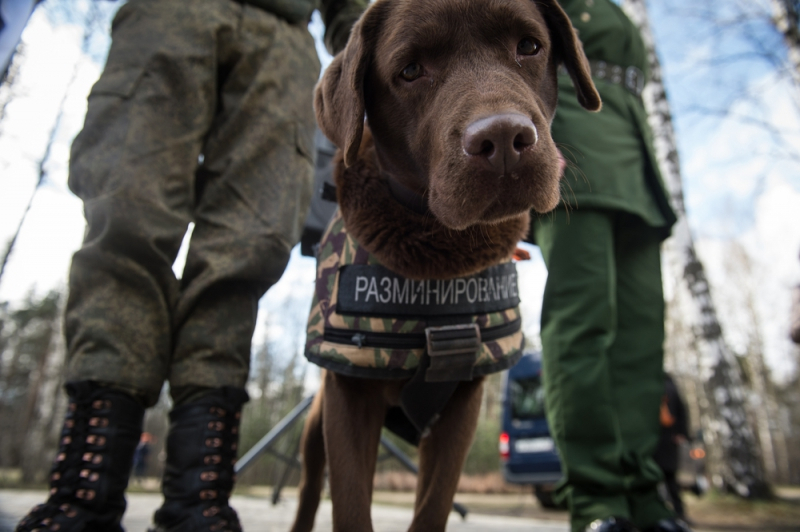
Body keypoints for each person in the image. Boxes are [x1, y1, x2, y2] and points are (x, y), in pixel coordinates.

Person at [15, 0, 366, 531]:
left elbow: (352, 11)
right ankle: (86, 486)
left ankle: (198, 493)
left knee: (247, 250)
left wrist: (374, 66)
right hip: (167, 14)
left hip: (284, 41)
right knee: (125, 215)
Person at [529, 1, 691, 531]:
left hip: (635, 159)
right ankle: (597, 498)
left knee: (642, 337)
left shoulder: (619, 10)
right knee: (583, 325)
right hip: (573, 145)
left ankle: (645, 493)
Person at [654, 374, 690, 522]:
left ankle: (677, 513)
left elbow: (681, 410)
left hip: (665, 439)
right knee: (660, 477)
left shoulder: (666, 384)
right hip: (659, 439)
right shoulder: (648, 382)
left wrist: (681, 432)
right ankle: (663, 513)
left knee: (667, 478)